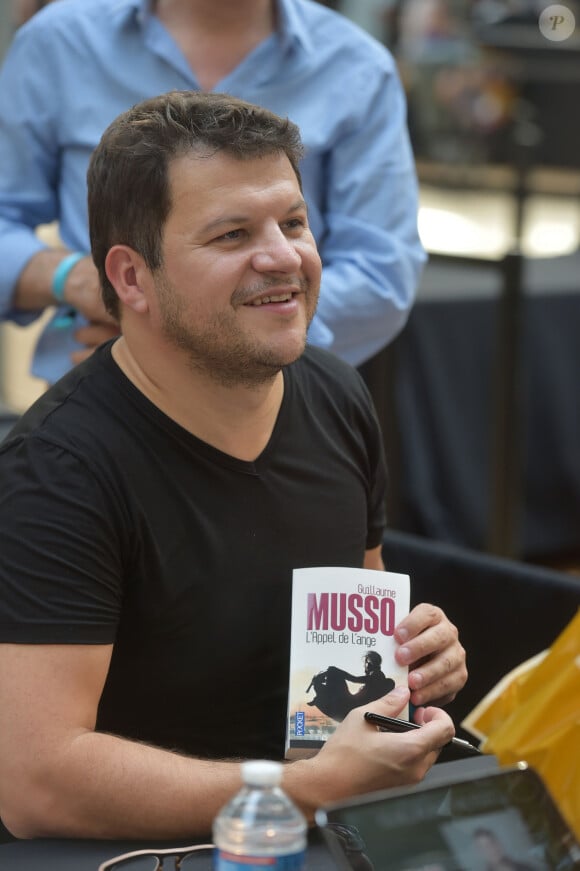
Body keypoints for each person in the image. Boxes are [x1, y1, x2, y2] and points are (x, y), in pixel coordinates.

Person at [0, 91, 465, 841]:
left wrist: (413, 662)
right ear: (130, 277)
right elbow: (35, 781)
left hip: (319, 828)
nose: (283, 256)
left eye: (293, 222)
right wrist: (303, 788)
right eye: (230, 234)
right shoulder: (57, 474)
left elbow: (359, 626)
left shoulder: (338, 393)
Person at [0, 0, 426, 385]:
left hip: (280, 404)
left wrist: (206, 339)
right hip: (93, 390)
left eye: (293, 221)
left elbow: (382, 267)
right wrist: (74, 279)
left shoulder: (359, 68)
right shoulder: (57, 42)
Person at [307, 651, 396, 720]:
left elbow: (354, 679)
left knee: (334, 673)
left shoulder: (376, 675)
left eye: (369, 663)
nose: (367, 665)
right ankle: (319, 694)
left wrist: (337, 671)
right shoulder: (376, 675)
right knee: (334, 673)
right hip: (354, 704)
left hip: (352, 706)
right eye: (367, 662)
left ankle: (319, 694)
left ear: (374, 664)